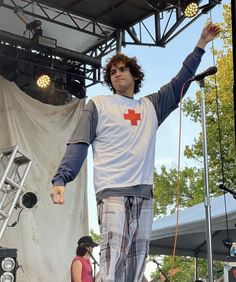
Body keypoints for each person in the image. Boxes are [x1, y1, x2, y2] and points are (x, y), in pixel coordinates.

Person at [50, 23, 221, 282]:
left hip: (144, 195)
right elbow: (80, 141)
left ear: (134, 74)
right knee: (111, 263)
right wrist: (62, 178)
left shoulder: (150, 106)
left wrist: (201, 44)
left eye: (122, 69)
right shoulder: (98, 104)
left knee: (136, 267)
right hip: (112, 192)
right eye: (112, 72)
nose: (117, 74)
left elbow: (180, 82)